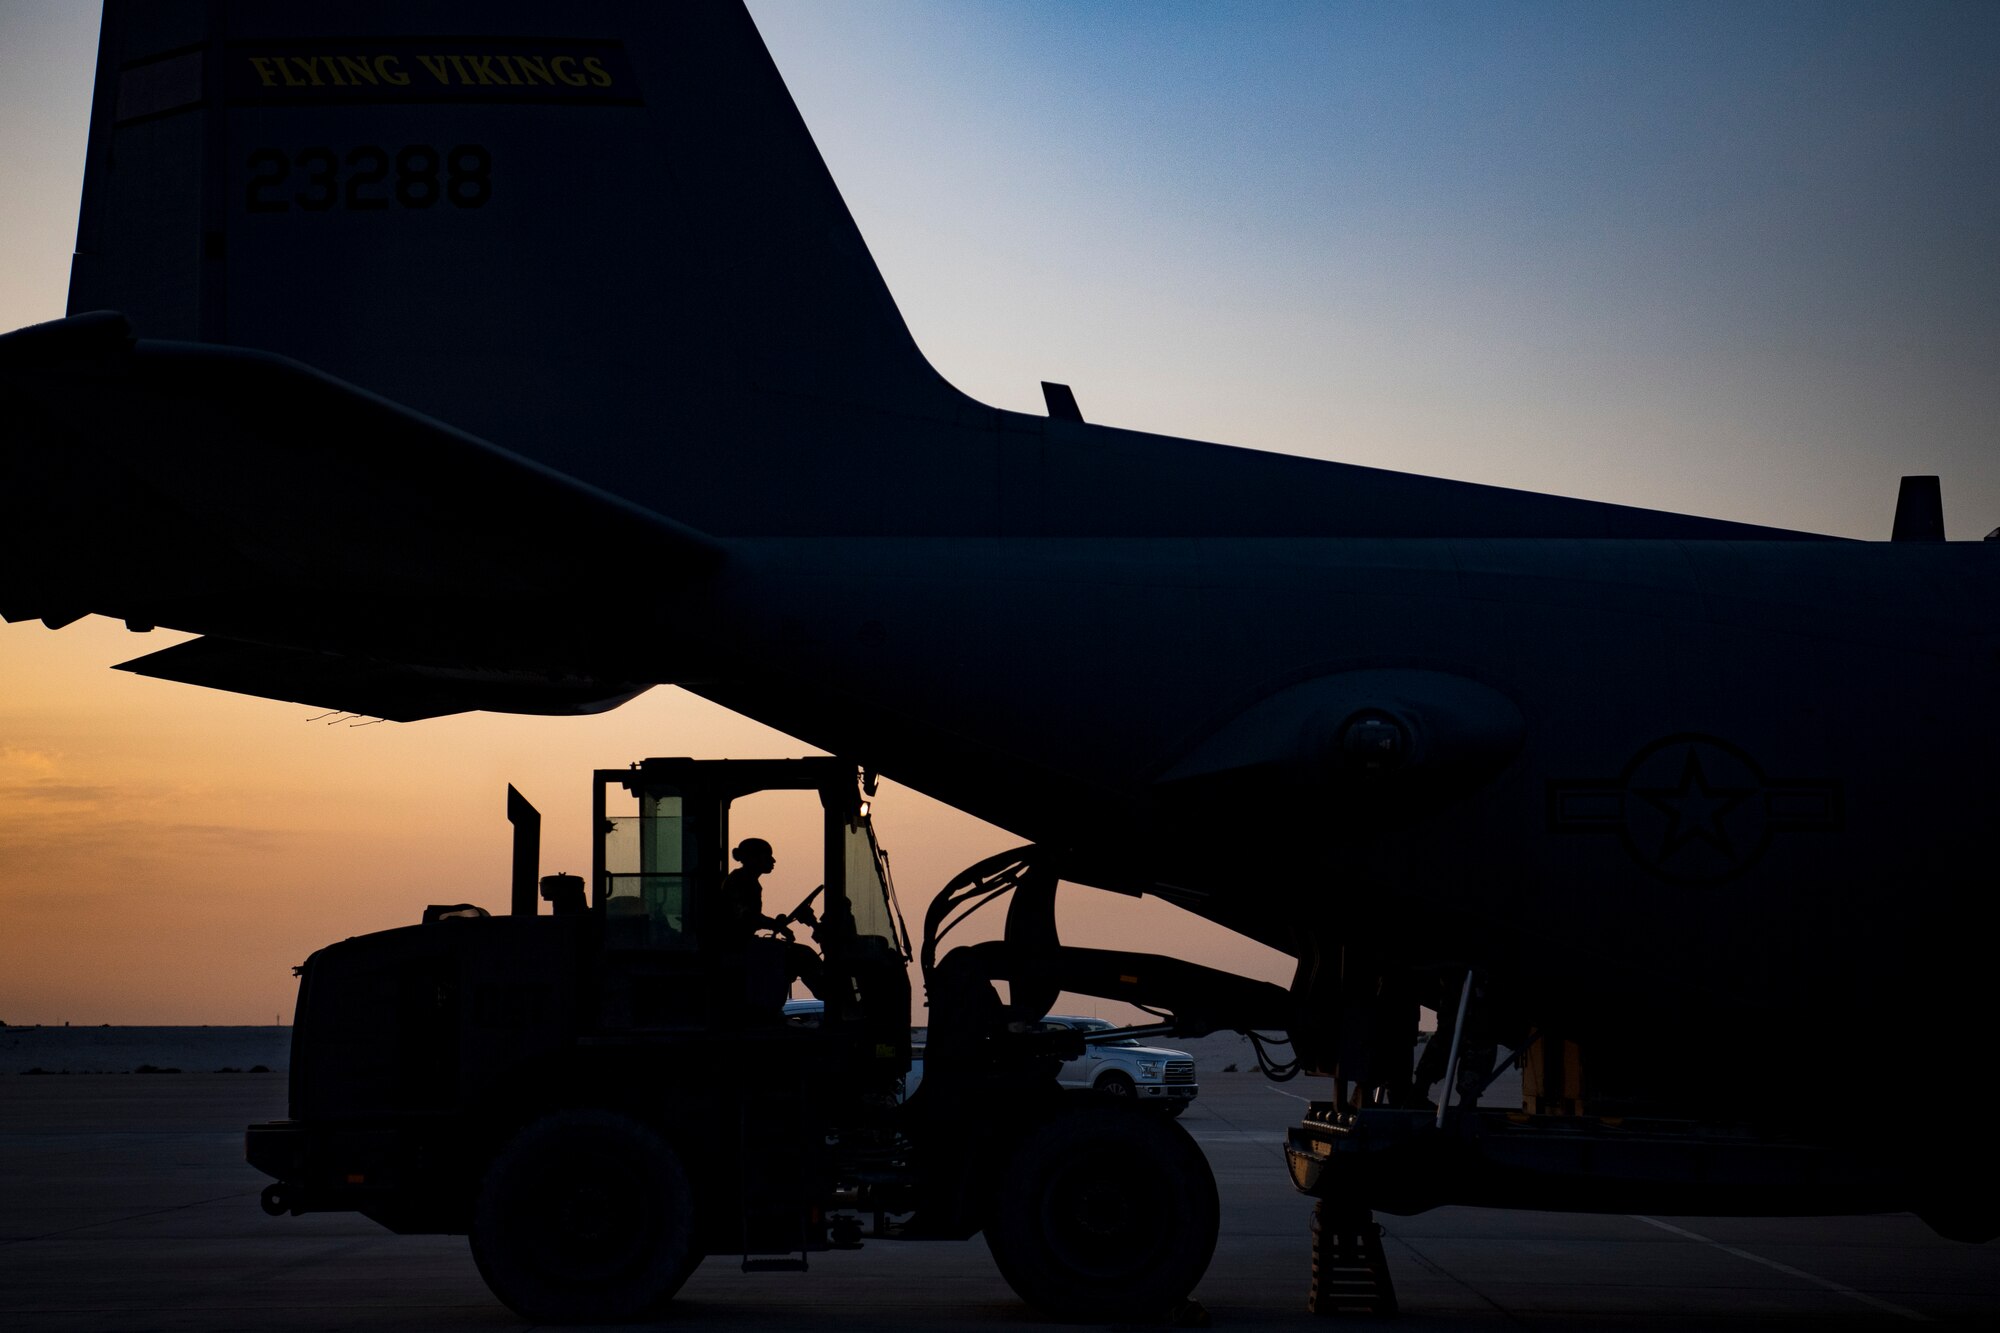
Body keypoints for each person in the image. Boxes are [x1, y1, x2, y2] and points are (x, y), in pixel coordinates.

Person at [722, 837, 824, 998]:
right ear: (753, 858)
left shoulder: (746, 881)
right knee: (803, 955)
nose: (773, 860)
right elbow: (746, 916)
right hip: (737, 945)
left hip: (741, 943)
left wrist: (775, 923)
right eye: (767, 856)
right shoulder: (740, 881)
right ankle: (831, 996)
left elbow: (752, 917)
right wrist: (776, 925)